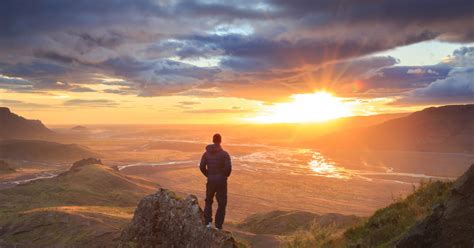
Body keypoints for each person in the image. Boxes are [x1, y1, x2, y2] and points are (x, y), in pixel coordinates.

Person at [199, 133, 232, 230]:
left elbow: (201, 167)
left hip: (211, 181)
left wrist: (209, 175)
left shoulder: (206, 154)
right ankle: (218, 226)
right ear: (220, 141)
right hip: (221, 182)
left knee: (208, 201)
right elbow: (228, 168)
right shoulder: (225, 154)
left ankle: (207, 223)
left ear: (213, 140)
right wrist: (224, 176)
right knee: (222, 203)